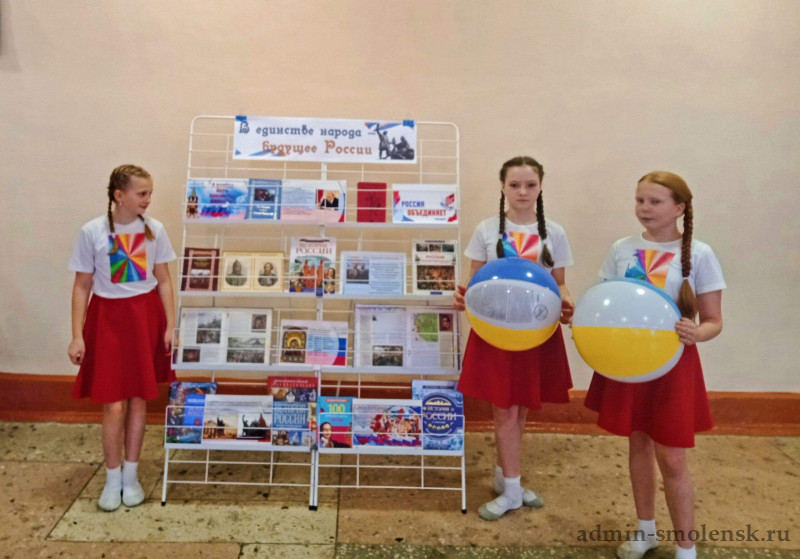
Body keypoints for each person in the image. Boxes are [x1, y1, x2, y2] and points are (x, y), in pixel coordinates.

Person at [582, 172, 725, 559]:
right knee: (638, 443)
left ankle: (686, 548)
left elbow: (714, 320)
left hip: (673, 366)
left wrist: (697, 332)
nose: (644, 208)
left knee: (673, 457)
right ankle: (645, 531)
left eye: (655, 201)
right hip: (628, 363)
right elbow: (603, 300)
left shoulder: (700, 254)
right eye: (640, 200)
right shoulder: (621, 248)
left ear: (679, 208)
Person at [454, 156, 575, 521]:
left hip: (537, 332)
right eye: (515, 185)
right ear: (503, 187)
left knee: (520, 407)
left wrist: (567, 300)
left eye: (530, 185)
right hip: (496, 333)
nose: (523, 192)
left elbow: (560, 283)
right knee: (504, 409)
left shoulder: (554, 232)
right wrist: (462, 297)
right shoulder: (487, 229)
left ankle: (504, 477)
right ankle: (511, 491)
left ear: (540, 187)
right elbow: (473, 282)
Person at [67, 164, 177, 512]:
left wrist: (170, 325)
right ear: (119, 195)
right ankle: (112, 477)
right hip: (108, 322)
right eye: (142, 193)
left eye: (150, 193)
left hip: (144, 319)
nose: (148, 199)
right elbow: (82, 286)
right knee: (113, 404)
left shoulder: (155, 230)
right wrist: (77, 335)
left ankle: (131, 475)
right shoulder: (92, 231)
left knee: (139, 399)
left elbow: (164, 280)